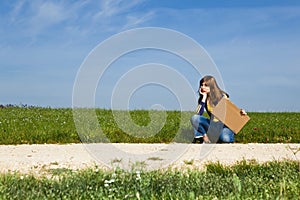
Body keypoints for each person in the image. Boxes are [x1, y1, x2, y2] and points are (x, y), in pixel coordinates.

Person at [190, 75, 247, 143]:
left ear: (212, 86)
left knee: (225, 139)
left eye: (206, 85)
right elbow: (198, 114)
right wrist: (204, 98)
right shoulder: (203, 99)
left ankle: (215, 137)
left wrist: (241, 112)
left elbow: (231, 109)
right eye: (201, 85)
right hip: (213, 125)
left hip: (224, 126)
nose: (202, 87)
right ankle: (203, 136)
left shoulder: (222, 96)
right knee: (194, 118)